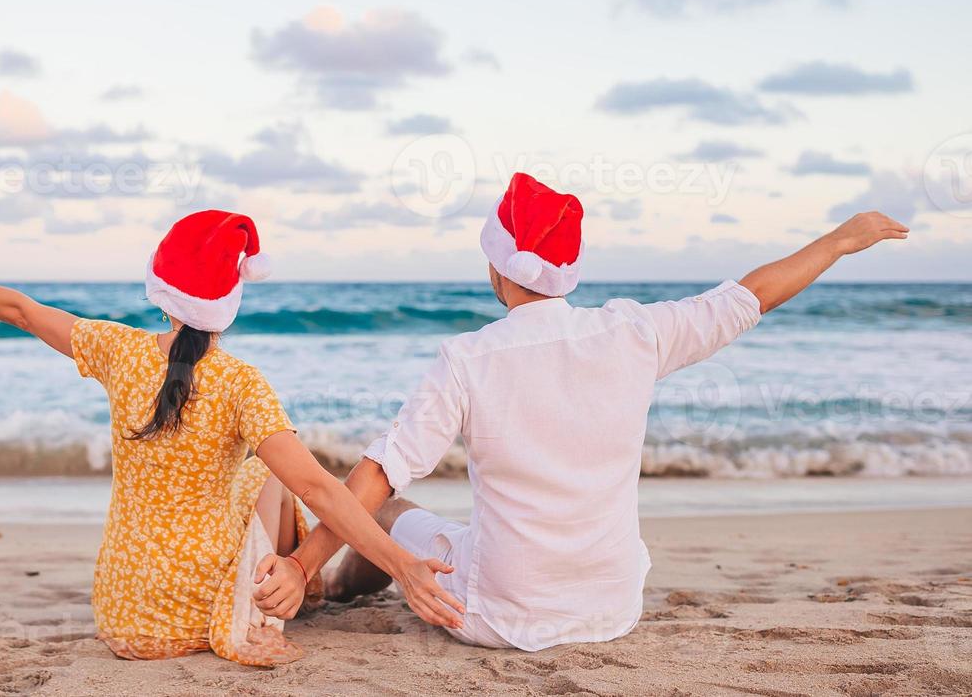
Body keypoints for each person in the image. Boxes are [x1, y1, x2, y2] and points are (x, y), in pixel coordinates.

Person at [252, 172, 908, 651]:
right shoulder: (633, 332)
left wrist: (302, 564)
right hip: (611, 607)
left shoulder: (468, 358)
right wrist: (837, 242)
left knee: (396, 512)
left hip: (501, 615)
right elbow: (748, 297)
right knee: (439, 521)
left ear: (497, 270)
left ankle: (331, 590)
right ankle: (329, 582)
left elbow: (377, 479)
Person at [0, 209, 463, 666]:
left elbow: (18, 308)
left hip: (126, 615)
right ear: (230, 299)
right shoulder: (238, 382)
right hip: (202, 610)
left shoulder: (117, 350)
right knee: (270, 468)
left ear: (161, 288)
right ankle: (299, 585)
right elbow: (317, 487)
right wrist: (404, 566)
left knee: (259, 472)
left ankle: (302, 582)